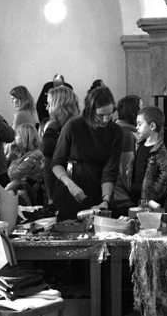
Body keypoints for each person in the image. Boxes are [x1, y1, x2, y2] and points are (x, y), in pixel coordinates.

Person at [51, 86, 124, 220]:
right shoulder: (73, 125)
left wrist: (106, 200)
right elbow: (56, 163)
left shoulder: (116, 132)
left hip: (99, 189)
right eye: (100, 115)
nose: (106, 119)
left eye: (110, 114)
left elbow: (110, 170)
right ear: (90, 111)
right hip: (71, 187)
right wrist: (70, 184)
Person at [123, 105, 167, 209]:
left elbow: (165, 173)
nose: (136, 127)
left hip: (150, 198)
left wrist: (154, 191)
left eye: (139, 124)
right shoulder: (139, 144)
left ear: (152, 126)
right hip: (135, 191)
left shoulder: (160, 150)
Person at [40, 85, 81, 204]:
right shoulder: (64, 126)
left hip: (69, 188)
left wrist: (49, 128)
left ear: (59, 105)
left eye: (49, 104)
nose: (47, 108)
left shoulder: (72, 126)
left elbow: (48, 148)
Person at [112, 95, 143, 214]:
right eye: (142, 107)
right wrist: (136, 193)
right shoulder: (125, 133)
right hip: (122, 195)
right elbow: (126, 168)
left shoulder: (124, 130)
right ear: (133, 111)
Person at [5, 123, 45, 205]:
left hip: (31, 196)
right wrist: (9, 155)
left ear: (26, 138)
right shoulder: (19, 153)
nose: (14, 138)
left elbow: (13, 176)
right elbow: (1, 170)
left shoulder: (35, 156)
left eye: (17, 135)